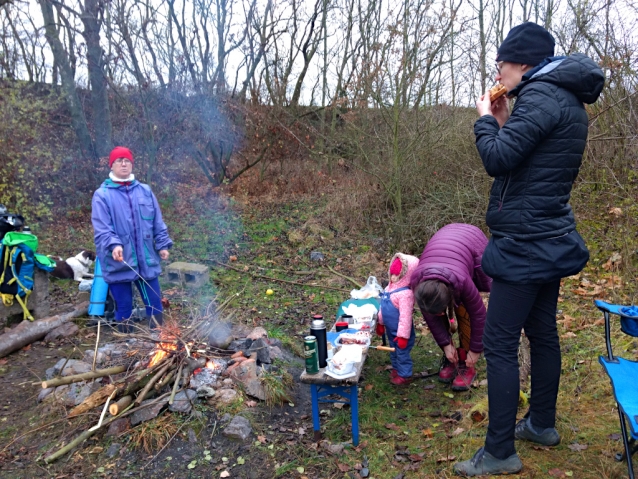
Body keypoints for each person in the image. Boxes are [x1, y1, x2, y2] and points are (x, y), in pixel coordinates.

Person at [454, 23, 604, 476]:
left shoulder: (539, 98)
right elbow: (527, 162)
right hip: (549, 238)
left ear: (520, 63)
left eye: (501, 64)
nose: (498, 71)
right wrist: (503, 122)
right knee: (542, 333)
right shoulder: (567, 101)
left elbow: (497, 160)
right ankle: (541, 424)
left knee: (499, 344)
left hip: (525, 244)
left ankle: (499, 451)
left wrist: (483, 119)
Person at [91, 146, 173, 333]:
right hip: (118, 260)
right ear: (111, 165)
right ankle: (126, 346)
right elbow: (102, 228)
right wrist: (114, 244)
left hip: (146, 259)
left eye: (127, 160)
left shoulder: (145, 191)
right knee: (124, 307)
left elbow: (157, 221)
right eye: (119, 160)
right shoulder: (102, 195)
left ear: (132, 164)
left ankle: (158, 342)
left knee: (154, 302)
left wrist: (162, 244)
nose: (123, 163)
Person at [410, 223, 491, 392]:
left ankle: (466, 363)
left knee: (465, 311)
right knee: (433, 309)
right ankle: (452, 357)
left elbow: (479, 315)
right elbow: (431, 317)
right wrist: (446, 344)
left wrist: (476, 351)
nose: (440, 314)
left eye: (443, 310)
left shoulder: (462, 281)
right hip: (446, 245)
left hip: (471, 242)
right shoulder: (419, 283)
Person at [375, 252, 419, 386]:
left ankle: (405, 375)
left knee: (402, 353)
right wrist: (380, 323)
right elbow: (383, 307)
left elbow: (405, 317)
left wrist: (403, 336)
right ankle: (396, 369)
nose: (393, 278)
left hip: (401, 333)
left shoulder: (405, 294)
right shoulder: (388, 289)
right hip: (390, 330)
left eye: (397, 275)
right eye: (392, 274)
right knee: (393, 350)